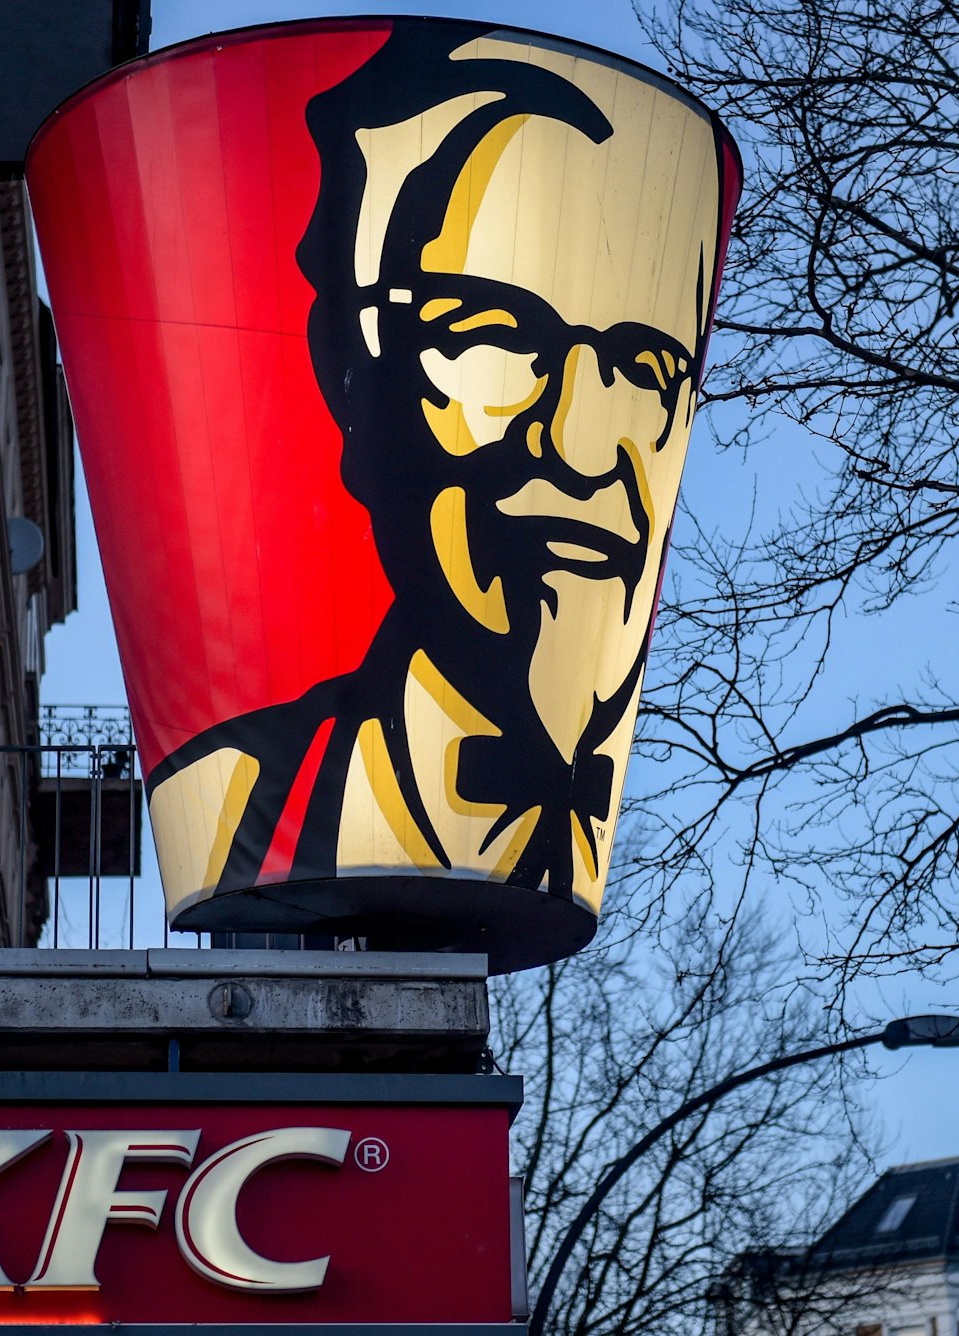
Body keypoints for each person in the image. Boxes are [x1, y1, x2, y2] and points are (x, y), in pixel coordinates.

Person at [148, 23, 728, 938]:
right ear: (354, 382)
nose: (579, 445)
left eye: (646, 365)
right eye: (494, 334)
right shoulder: (222, 805)